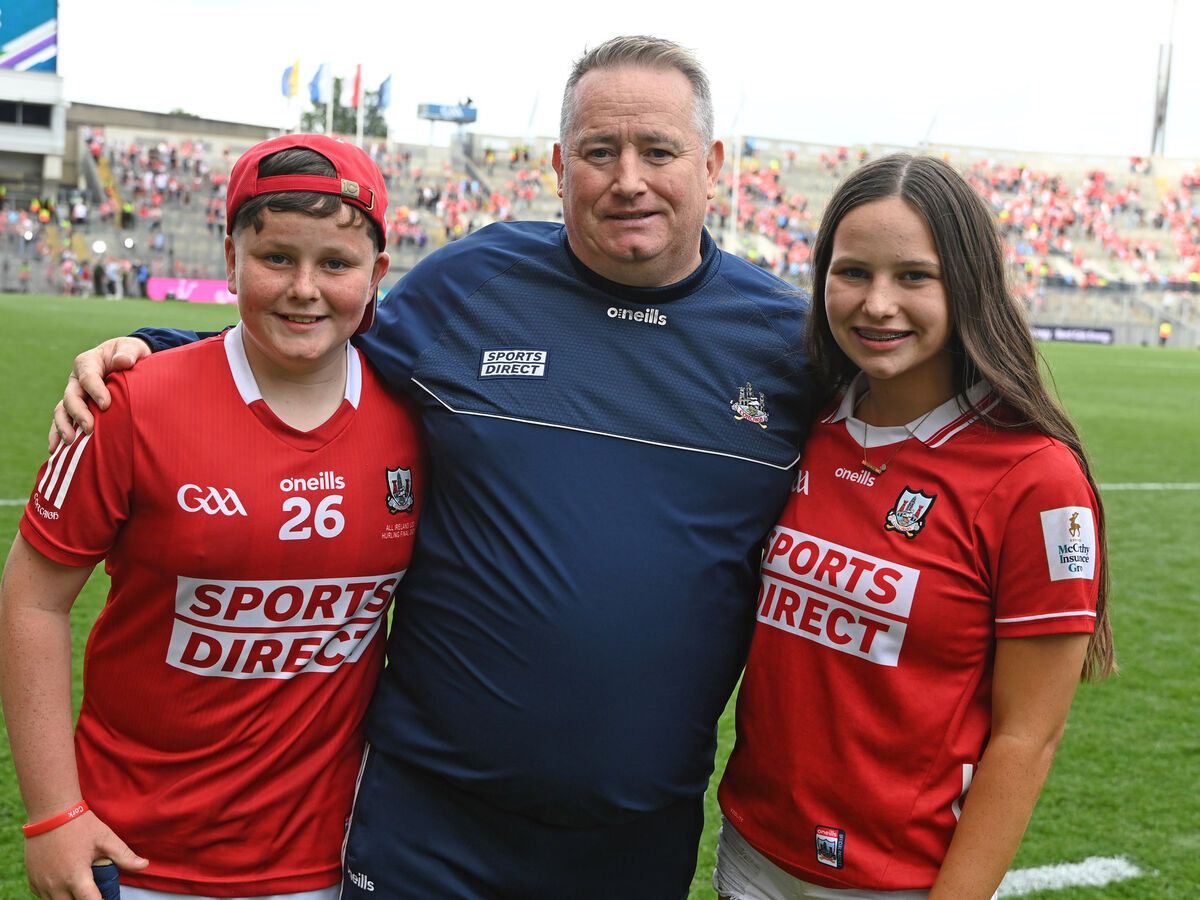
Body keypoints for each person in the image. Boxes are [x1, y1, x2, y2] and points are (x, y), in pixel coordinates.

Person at [48, 36, 816, 899]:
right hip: (428, 823)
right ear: (561, 164)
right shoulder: (474, 284)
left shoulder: (788, 346)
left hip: (632, 835)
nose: (627, 177)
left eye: (658, 151)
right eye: (600, 152)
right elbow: (315, 338)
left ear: (711, 164)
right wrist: (153, 353)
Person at [3, 133, 424, 898]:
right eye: (276, 259)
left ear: (377, 276)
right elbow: (32, 597)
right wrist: (52, 813)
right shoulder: (126, 401)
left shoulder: (419, 421)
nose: (305, 288)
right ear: (230, 261)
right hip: (134, 854)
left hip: (332, 858)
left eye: (335, 263)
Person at [715, 153, 1115, 900]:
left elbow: (1028, 739)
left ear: (966, 284)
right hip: (752, 854)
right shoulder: (804, 423)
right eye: (853, 272)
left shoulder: (1037, 479)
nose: (877, 304)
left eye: (913, 277)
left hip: (901, 882)